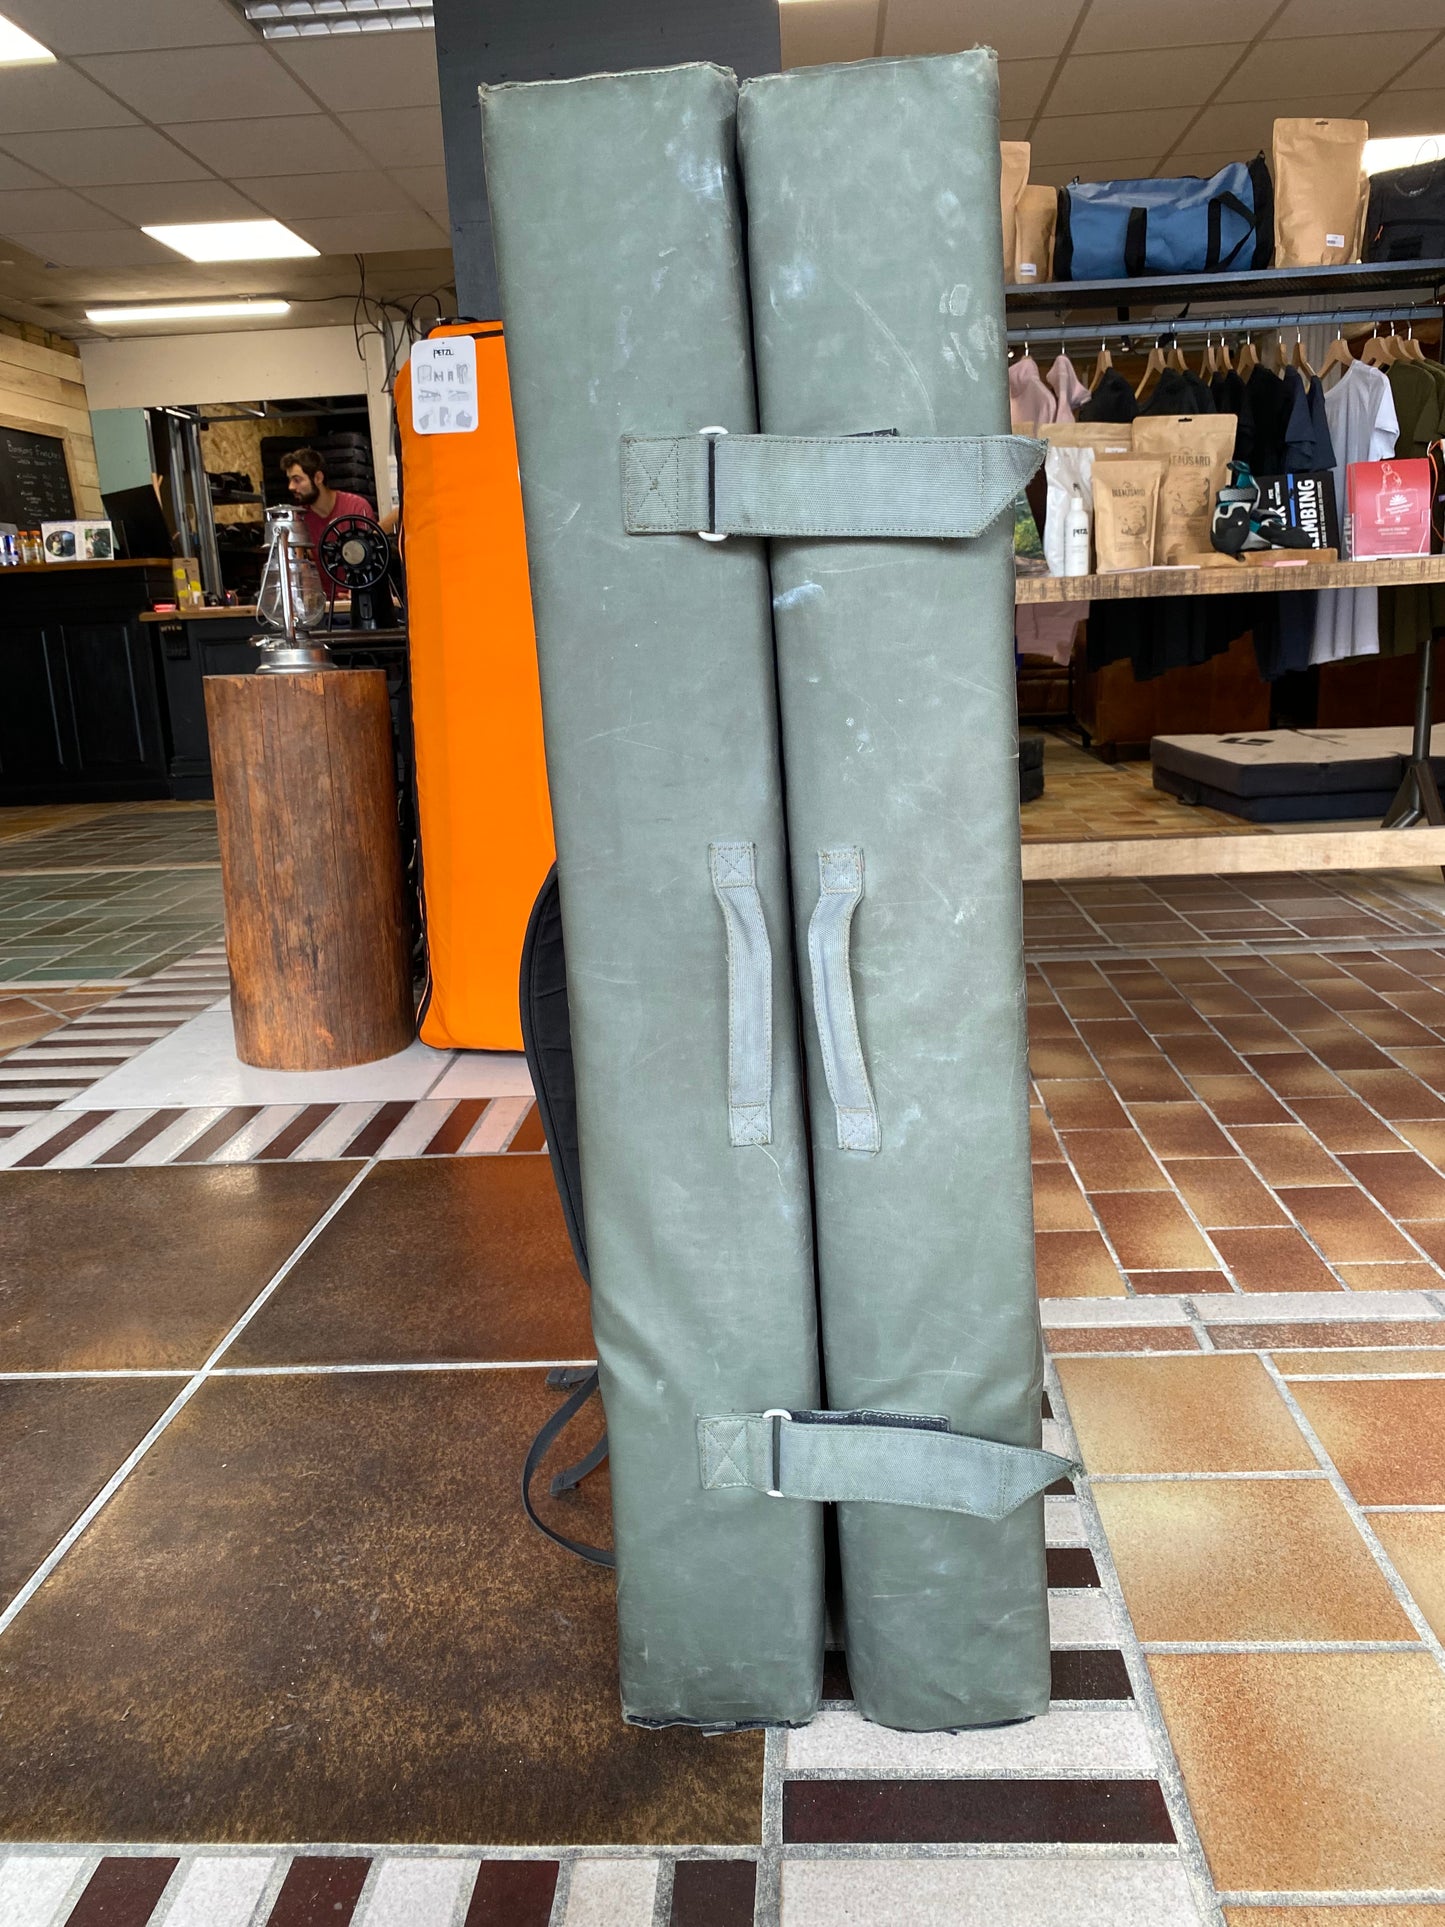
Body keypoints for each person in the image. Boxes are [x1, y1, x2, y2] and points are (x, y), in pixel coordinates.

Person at [281, 447, 375, 597]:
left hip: (362, 598)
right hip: (325, 603)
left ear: (318, 478)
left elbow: (372, 561)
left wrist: (359, 591)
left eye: (297, 480)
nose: (291, 487)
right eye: (290, 480)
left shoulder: (356, 507)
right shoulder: (300, 519)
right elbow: (300, 567)